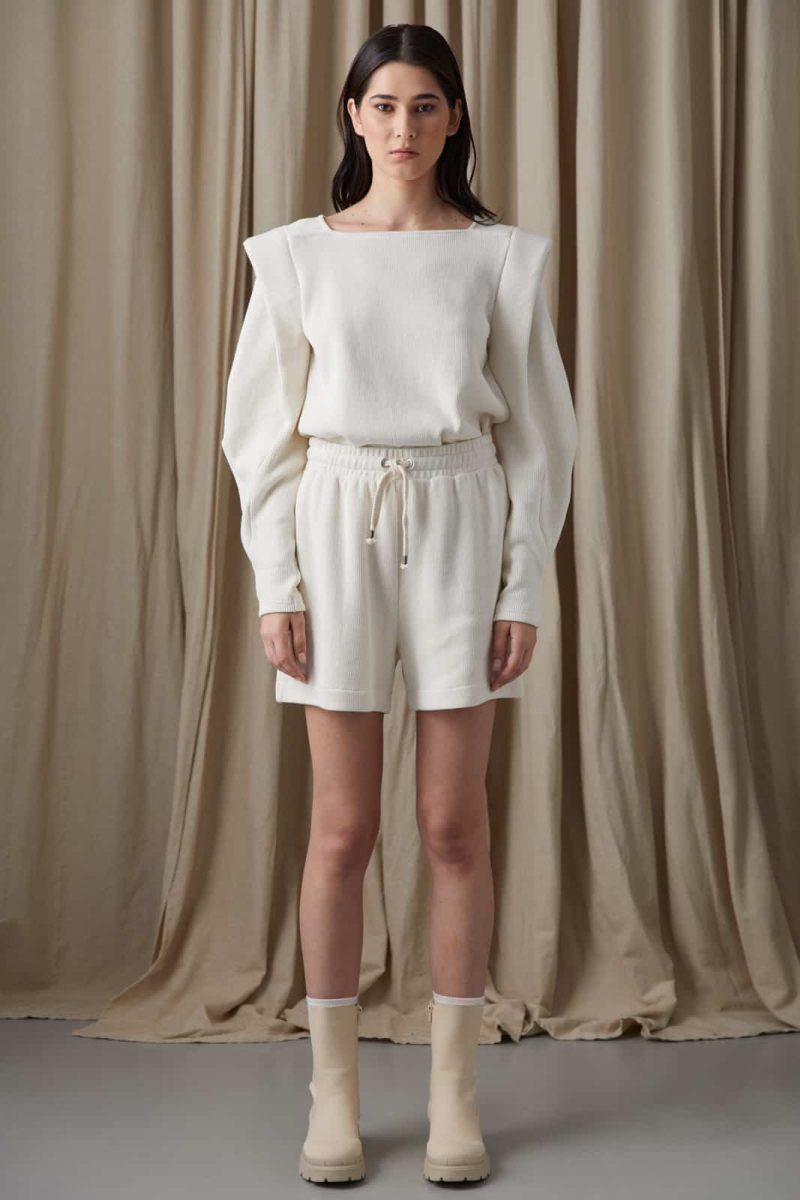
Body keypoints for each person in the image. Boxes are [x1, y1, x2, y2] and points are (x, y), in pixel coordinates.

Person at [221, 22, 577, 1188]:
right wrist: (277, 581)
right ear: (352, 116)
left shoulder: (501, 258)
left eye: (425, 105)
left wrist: (522, 582)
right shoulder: (293, 256)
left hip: (460, 515)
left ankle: (451, 1098)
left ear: (453, 118)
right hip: (335, 518)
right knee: (340, 827)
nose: (403, 127)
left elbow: (540, 441)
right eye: (382, 105)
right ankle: (331, 1101)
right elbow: (258, 439)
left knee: (450, 824)